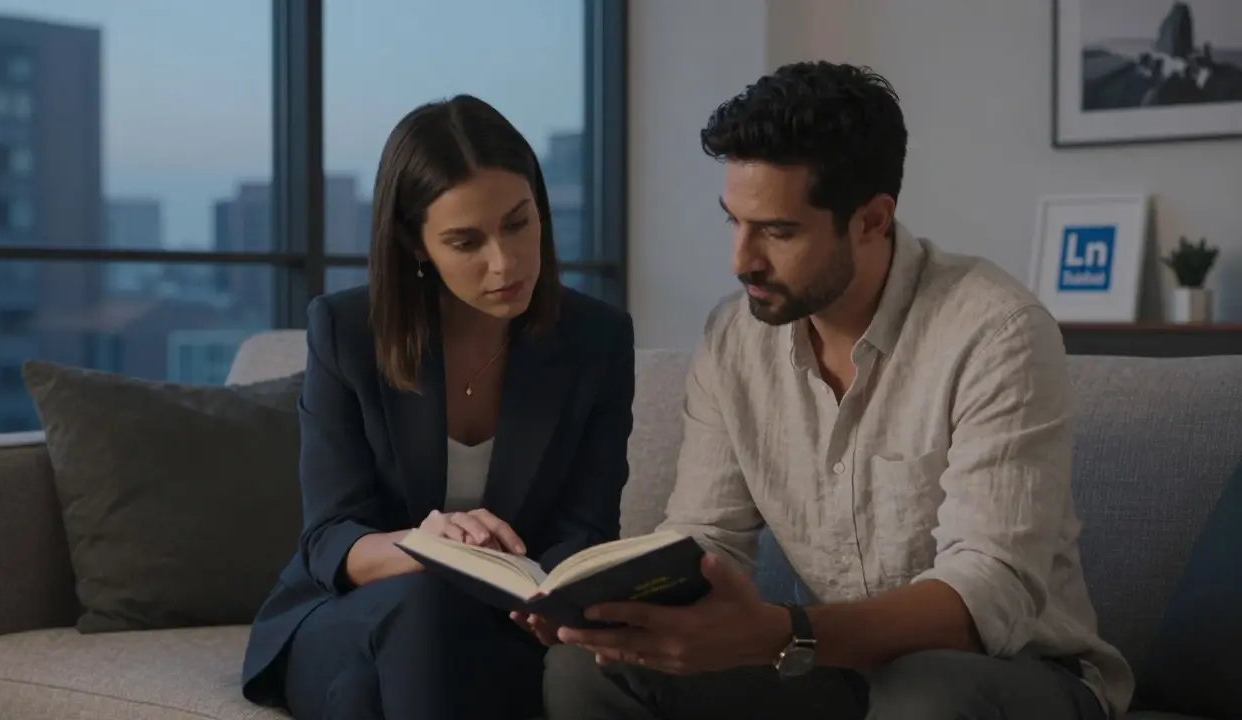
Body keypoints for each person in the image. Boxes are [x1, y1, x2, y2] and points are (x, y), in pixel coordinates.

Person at [540, 61, 1135, 719]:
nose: (741, 260)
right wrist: (617, 614)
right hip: (830, 667)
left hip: (1015, 674)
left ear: (872, 220)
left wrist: (783, 630)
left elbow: (987, 592)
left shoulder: (995, 332)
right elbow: (707, 537)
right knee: (589, 669)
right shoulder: (735, 339)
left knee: (924, 695)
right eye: (733, 221)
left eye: (778, 231)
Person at [238, 94, 636, 720]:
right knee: (423, 608)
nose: (504, 263)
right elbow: (329, 538)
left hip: (505, 627)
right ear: (416, 244)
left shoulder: (597, 340)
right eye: (465, 241)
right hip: (354, 615)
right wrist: (429, 547)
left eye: (518, 223)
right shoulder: (347, 331)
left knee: (372, 695)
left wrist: (550, 597)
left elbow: (585, 531)